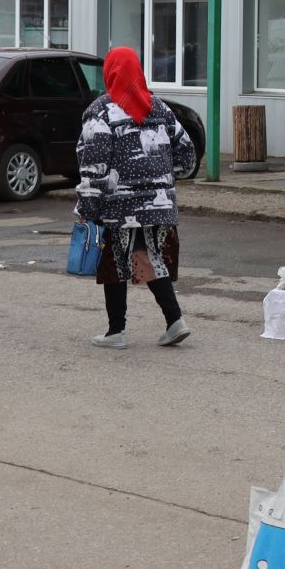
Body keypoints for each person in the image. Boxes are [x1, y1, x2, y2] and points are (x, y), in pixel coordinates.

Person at [74, 46, 197, 349]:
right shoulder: (160, 107)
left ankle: (116, 331)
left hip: (120, 206)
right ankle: (175, 321)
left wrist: (86, 207)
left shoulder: (101, 110)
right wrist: (163, 180)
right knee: (148, 256)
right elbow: (187, 154)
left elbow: (94, 165)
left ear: (111, 72)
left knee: (115, 262)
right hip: (157, 202)